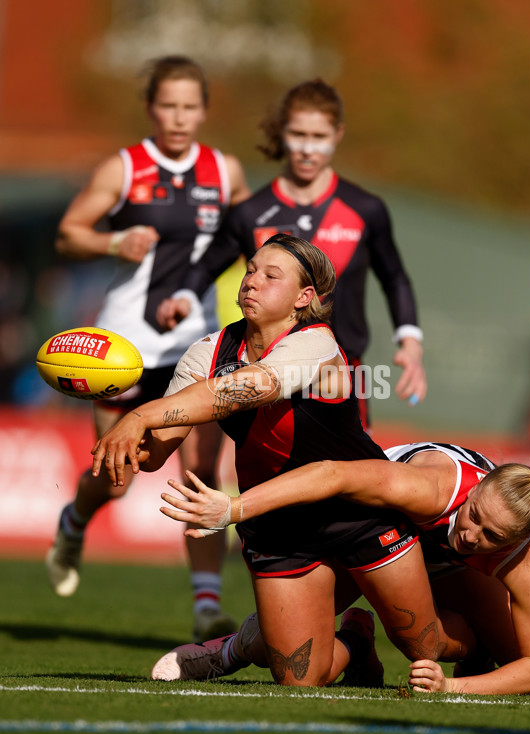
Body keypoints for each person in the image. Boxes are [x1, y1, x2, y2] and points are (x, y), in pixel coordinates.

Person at [90, 233, 477, 688]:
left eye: (271, 276)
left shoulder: (316, 342)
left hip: (359, 511)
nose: (252, 281)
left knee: (425, 646)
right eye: (251, 270)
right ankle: (355, 642)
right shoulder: (207, 351)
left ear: (303, 298)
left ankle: (487, 647)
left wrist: (140, 414)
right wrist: (114, 407)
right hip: (277, 522)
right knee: (299, 678)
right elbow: (155, 453)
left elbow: (247, 388)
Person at [46, 55, 251, 642]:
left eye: (190, 106)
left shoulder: (224, 170)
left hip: (197, 344)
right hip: (124, 347)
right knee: (115, 475)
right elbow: (68, 232)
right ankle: (74, 518)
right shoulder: (126, 167)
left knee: (202, 472)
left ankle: (206, 607)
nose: (179, 117)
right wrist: (114, 240)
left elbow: (245, 230)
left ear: (204, 109)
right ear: (151, 109)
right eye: (169, 105)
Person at [155, 441, 530, 696]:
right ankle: (238, 647)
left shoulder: (524, 553)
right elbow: (331, 475)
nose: (471, 534)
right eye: (475, 514)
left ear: (517, 538)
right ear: (477, 485)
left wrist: (454, 687)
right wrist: (233, 508)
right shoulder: (427, 488)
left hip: (438, 564)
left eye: (492, 536)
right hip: (364, 537)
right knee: (299, 669)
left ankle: (466, 654)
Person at [155, 78, 426, 427]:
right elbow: (206, 266)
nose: (307, 149)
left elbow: (395, 278)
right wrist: (183, 297)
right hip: (266, 372)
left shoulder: (365, 209)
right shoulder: (250, 212)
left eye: (319, 137)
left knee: (349, 474)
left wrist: (410, 343)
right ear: (282, 133)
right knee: (264, 470)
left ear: (338, 135)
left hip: (342, 371)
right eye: (298, 134)